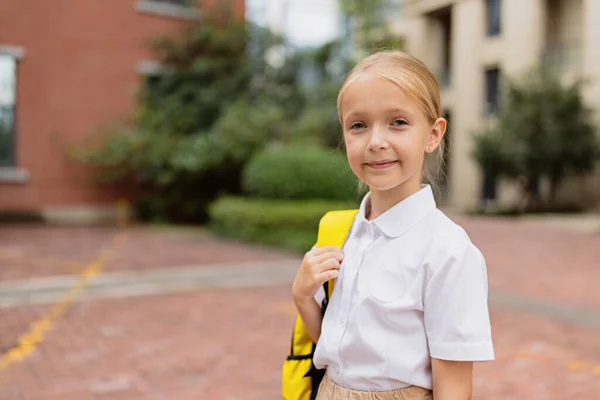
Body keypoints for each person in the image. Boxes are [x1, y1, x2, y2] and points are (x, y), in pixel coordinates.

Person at [291, 51, 494, 400]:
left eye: (397, 122)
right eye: (358, 125)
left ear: (433, 134)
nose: (376, 141)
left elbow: (455, 383)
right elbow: (336, 349)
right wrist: (302, 296)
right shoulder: (343, 233)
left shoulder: (448, 251)